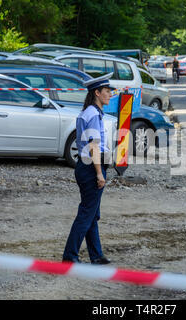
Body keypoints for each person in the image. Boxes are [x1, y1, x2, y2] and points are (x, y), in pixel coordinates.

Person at [62, 73, 114, 264]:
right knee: (86, 214)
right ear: (97, 93)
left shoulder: (91, 112)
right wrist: (100, 173)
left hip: (88, 167)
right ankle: (69, 256)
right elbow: (94, 146)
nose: (110, 95)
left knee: (92, 214)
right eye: (107, 91)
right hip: (91, 168)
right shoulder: (93, 115)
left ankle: (96, 255)